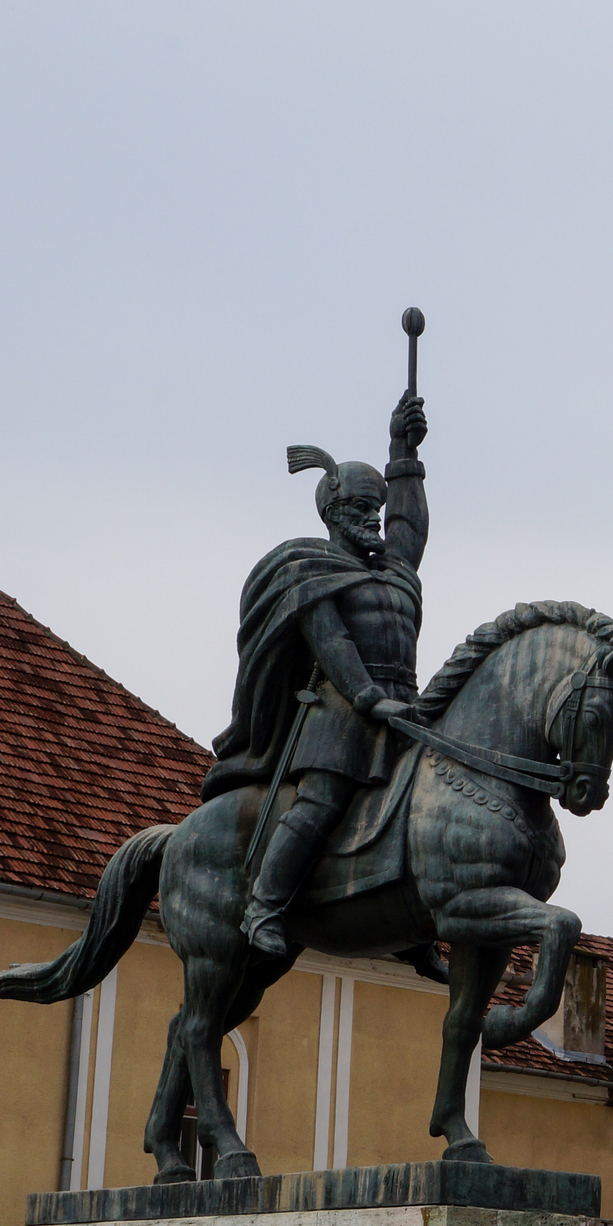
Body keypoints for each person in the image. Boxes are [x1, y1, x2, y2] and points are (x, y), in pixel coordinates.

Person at [204, 391, 429, 957]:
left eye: (377, 510)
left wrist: (403, 454)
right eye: (362, 510)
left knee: (430, 800)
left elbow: (409, 524)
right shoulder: (309, 571)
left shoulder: (396, 572)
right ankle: (264, 904)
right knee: (322, 802)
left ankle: (410, 923)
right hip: (339, 711)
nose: (374, 520)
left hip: (406, 704)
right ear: (333, 513)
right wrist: (369, 698)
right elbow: (332, 643)